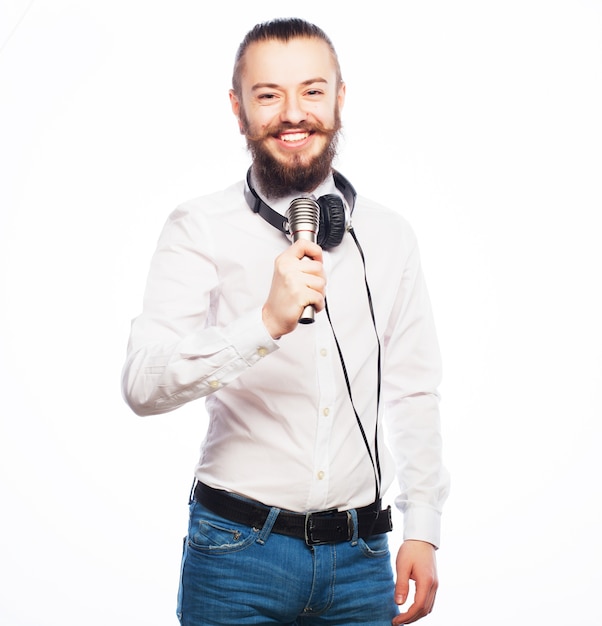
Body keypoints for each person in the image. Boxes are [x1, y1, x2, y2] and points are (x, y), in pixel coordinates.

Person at [122, 17, 449, 626]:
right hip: (236, 557)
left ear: (340, 98)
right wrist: (265, 322)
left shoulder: (390, 236)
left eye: (312, 91)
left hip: (362, 559)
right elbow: (142, 384)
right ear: (238, 108)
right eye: (268, 95)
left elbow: (413, 390)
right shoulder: (199, 226)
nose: (293, 114)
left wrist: (423, 527)